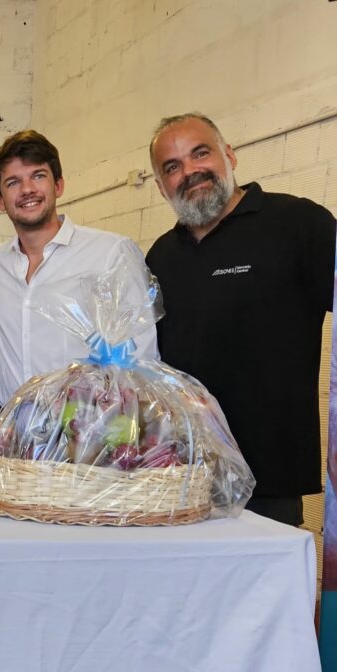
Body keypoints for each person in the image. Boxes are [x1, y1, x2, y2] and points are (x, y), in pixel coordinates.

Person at [146, 112, 336, 526]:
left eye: (201, 153)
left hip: (269, 480)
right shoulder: (160, 256)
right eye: (172, 167)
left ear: (229, 156)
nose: (190, 171)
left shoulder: (299, 224)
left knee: (266, 591)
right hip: (178, 475)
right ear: (161, 188)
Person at [0, 129, 159, 408]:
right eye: (13, 182)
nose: (27, 189)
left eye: (38, 176)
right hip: (10, 427)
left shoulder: (109, 252)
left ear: (58, 186)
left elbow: (142, 353)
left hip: (86, 426)